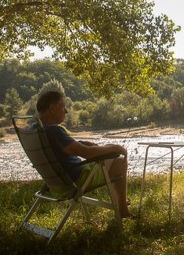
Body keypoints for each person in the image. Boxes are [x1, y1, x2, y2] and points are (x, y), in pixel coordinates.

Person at [36, 89, 132, 219]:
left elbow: (65, 147)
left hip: (54, 184)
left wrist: (80, 143)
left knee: (108, 157)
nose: (66, 111)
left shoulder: (35, 130)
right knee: (120, 162)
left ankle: (122, 203)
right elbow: (87, 153)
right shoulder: (54, 131)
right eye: (63, 106)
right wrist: (114, 147)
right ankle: (123, 210)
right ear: (52, 108)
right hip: (75, 181)